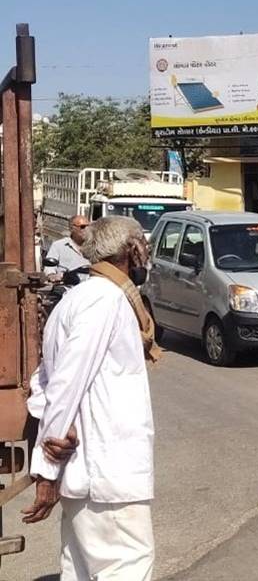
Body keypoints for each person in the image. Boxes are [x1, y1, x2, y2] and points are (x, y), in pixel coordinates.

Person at [24, 216, 160, 579]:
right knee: (127, 567)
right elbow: (66, 382)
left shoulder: (79, 298)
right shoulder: (104, 301)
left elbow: (45, 382)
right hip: (107, 478)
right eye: (143, 245)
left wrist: (50, 461)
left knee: (81, 571)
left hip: (92, 475)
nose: (147, 254)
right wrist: (48, 470)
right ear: (131, 250)